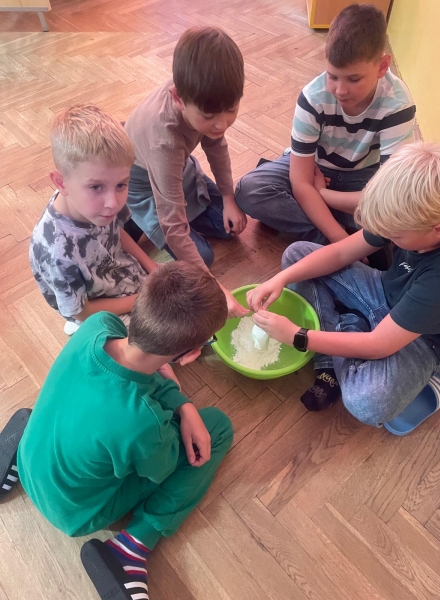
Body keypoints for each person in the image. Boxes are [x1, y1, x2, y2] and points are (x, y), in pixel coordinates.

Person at [1, 262, 233, 600]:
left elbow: (135, 374)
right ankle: (132, 548)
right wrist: (184, 406)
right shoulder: (145, 422)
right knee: (218, 427)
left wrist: (180, 404)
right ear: (189, 353)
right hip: (76, 514)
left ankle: (20, 447)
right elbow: (162, 468)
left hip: (31, 459)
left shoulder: (98, 325)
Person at [246, 142, 440, 426]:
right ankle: (337, 350)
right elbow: (341, 253)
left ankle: (345, 332)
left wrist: (298, 336)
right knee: (296, 257)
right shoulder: (411, 219)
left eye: (396, 236)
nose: (388, 237)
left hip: (422, 340)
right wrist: (280, 278)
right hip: (385, 293)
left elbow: (380, 345)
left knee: (368, 402)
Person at [236, 4, 416, 247]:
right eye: (332, 76)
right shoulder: (313, 97)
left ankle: (321, 218)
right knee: (250, 190)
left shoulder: (398, 104)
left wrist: (323, 194)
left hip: (363, 178)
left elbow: (390, 193)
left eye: (354, 79)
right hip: (315, 169)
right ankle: (338, 237)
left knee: (403, 218)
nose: (340, 91)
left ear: (382, 66)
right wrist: (341, 240)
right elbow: (301, 181)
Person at [124, 26, 248, 317]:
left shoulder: (200, 90)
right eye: (209, 116)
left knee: (232, 224)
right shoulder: (163, 142)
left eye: (231, 110)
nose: (221, 124)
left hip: (179, 172)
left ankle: (146, 223)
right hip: (146, 188)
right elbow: (173, 226)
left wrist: (229, 198)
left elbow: (216, 144)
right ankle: (134, 219)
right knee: (202, 258)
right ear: (178, 98)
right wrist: (216, 287)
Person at [29, 105, 157, 335]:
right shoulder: (56, 252)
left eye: (121, 185)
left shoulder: (96, 204)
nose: (113, 203)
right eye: (96, 187)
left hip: (117, 274)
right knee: (161, 340)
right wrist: (140, 299)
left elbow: (117, 233)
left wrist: (151, 266)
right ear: (61, 183)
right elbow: (81, 311)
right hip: (94, 309)